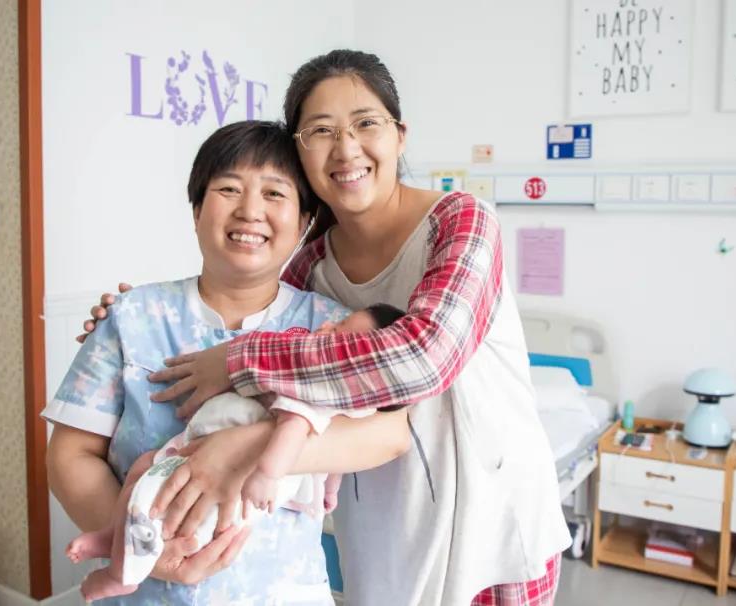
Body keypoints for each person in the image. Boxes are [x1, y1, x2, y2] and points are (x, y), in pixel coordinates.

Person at [85, 49, 570, 605]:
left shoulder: (461, 223)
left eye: (366, 123)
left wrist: (240, 365)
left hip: (493, 521)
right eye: (320, 130)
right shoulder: (310, 269)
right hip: (389, 524)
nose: (346, 148)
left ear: (400, 136)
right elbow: (245, 311)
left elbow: (423, 359)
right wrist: (131, 318)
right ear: (300, 151)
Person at [46, 120, 412, 605]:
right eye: (228, 189)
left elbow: (390, 435)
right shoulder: (132, 317)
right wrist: (146, 553)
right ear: (197, 209)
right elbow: (70, 455)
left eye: (275, 193)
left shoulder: (332, 329)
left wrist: (242, 448)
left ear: (305, 221)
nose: (250, 211)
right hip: (145, 591)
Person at [64, 305, 407, 602]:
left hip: (240, 479)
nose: (328, 326)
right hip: (203, 450)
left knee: (156, 504)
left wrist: (265, 474)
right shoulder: (129, 314)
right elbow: (337, 458)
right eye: (338, 323)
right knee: (145, 479)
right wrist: (329, 489)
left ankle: (120, 575)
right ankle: (114, 536)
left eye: (339, 332)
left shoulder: (318, 386)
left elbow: (295, 427)